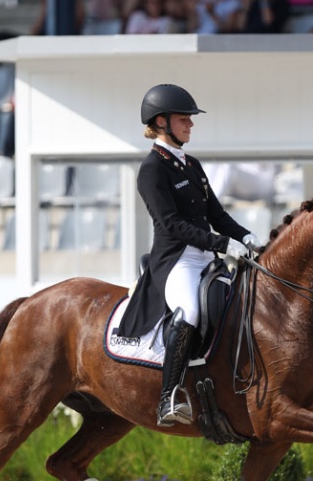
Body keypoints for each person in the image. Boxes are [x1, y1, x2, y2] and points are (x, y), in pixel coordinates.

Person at [117, 83, 261, 427]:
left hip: (206, 259)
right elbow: (171, 224)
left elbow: (217, 215)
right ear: (162, 122)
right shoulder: (152, 170)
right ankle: (169, 396)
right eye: (185, 119)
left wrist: (247, 236)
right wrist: (222, 245)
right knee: (191, 312)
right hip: (176, 261)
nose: (191, 125)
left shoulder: (192, 165)